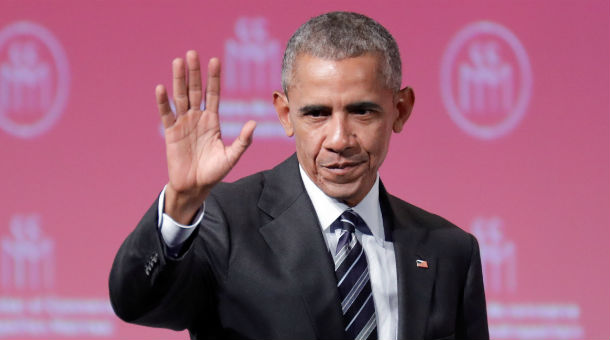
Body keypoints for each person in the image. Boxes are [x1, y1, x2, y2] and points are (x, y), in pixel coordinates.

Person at [109, 11, 489, 340]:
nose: (339, 139)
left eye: (362, 112)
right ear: (286, 114)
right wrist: (179, 204)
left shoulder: (450, 251)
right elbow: (136, 302)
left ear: (400, 110)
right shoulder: (224, 222)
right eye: (317, 114)